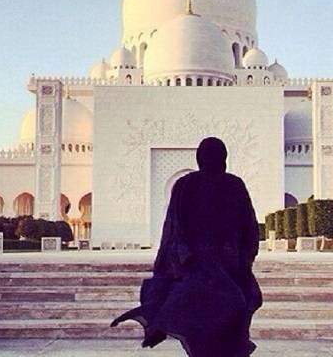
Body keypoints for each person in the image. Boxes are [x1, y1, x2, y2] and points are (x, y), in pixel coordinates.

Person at [111, 137, 263, 357]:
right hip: (226, 269)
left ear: (199, 158)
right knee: (229, 324)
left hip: (196, 267)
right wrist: (244, 261)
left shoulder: (186, 184)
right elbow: (249, 230)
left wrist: (171, 264)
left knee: (200, 327)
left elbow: (173, 229)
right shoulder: (233, 184)